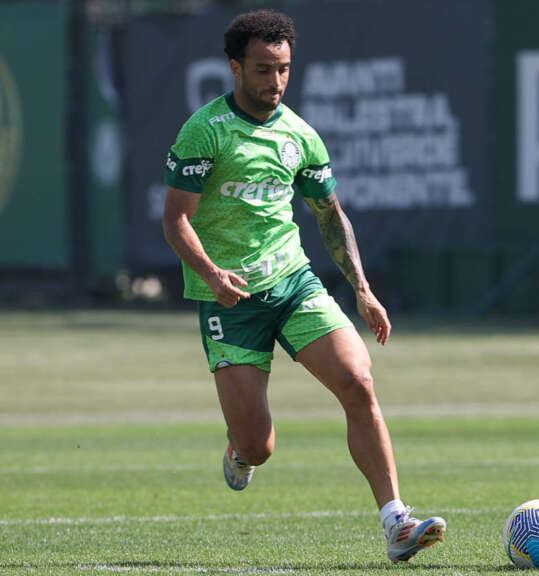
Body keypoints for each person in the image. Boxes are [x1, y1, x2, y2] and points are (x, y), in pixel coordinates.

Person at [161, 9, 445, 563]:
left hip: (294, 284)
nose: (275, 82)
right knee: (258, 446)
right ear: (235, 68)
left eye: (284, 69)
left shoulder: (300, 134)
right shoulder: (205, 130)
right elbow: (176, 219)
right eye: (263, 70)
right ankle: (239, 451)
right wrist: (213, 275)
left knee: (359, 381)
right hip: (230, 300)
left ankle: (396, 522)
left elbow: (330, 214)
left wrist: (361, 288)